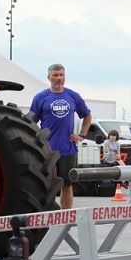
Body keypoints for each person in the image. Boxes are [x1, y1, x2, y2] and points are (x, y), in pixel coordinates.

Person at [29, 63, 92, 210]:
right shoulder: (40, 98)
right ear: (49, 77)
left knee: (67, 184)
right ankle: (46, 216)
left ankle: (66, 217)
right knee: (45, 185)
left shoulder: (73, 96)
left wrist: (82, 135)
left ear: (65, 77)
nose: (58, 78)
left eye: (61, 75)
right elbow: (31, 121)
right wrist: (36, 140)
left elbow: (87, 116)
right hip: (47, 150)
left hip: (67, 148)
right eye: (55, 75)